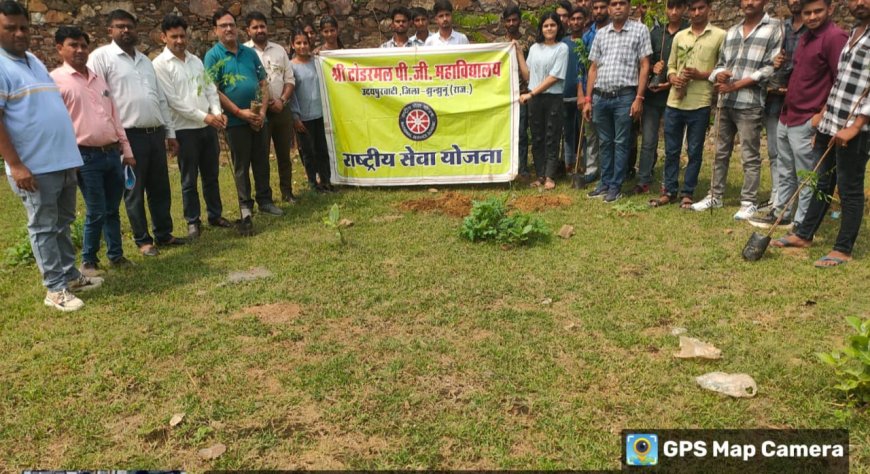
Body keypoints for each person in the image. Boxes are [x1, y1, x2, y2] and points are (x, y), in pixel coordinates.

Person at [0, 1, 102, 311]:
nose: (20, 33)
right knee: (43, 225)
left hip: (62, 160)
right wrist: (16, 165)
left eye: (24, 27)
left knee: (63, 222)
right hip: (34, 166)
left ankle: (69, 275)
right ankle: (54, 289)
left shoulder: (32, 60)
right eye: (10, 28)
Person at [771, 0, 869, 267]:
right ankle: (804, 234)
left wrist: (856, 126)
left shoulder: (842, 35)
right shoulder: (856, 32)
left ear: (830, 10)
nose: (859, 2)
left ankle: (843, 248)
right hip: (833, 120)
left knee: (849, 188)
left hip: (854, 127)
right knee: (821, 182)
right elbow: (843, 81)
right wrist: (825, 122)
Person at [88, 9, 185, 257]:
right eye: (120, 26)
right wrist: (116, 138)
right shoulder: (102, 58)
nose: (126, 30)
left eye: (130, 26)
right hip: (129, 136)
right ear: (110, 31)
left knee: (160, 187)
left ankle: (164, 233)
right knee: (134, 189)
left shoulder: (145, 60)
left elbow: (160, 99)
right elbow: (96, 99)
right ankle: (143, 240)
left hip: (155, 132)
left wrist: (170, 132)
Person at [749, 0, 846, 229]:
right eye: (807, 13)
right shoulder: (805, 37)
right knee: (785, 168)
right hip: (788, 114)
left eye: (817, 11)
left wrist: (821, 115)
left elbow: (839, 81)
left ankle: (802, 222)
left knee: (806, 175)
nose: (812, 17)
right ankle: (781, 212)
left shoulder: (834, 37)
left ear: (830, 9)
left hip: (808, 117)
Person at [51, 26, 136, 277]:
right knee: (96, 209)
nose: (79, 50)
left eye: (83, 45)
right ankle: (88, 260)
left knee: (112, 209)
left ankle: (116, 255)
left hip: (111, 153)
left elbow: (114, 116)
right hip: (85, 156)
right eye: (73, 45)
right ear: (59, 48)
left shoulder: (98, 79)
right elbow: (57, 124)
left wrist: (126, 149)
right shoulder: (55, 80)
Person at [690, 0, 782, 220]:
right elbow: (721, 62)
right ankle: (715, 195)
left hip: (750, 102)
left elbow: (771, 67)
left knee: (750, 155)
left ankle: (748, 201)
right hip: (726, 101)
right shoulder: (732, 31)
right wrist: (719, 75)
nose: (749, 2)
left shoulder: (774, 28)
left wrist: (738, 84)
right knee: (720, 152)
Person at [153, 14, 233, 239]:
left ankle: (215, 215)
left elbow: (209, 89)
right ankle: (192, 221)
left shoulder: (195, 60)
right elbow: (174, 101)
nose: (179, 41)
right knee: (189, 178)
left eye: (182, 36)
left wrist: (217, 112)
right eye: (174, 36)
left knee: (211, 174)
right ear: (163, 37)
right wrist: (205, 117)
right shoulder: (160, 65)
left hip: (207, 126)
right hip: (184, 129)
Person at [205, 8, 281, 236]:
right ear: (215, 30)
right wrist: (240, 112)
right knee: (241, 165)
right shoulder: (213, 56)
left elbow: (263, 84)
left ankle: (265, 201)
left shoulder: (248, 53)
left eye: (231, 24)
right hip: (237, 122)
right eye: (223, 26)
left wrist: (261, 112)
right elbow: (214, 91)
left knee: (262, 160)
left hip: (259, 118)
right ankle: (245, 207)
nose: (229, 29)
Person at [650, 0, 725, 208]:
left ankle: (688, 192)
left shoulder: (719, 36)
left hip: (700, 102)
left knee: (694, 150)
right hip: (675, 100)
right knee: (671, 149)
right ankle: (669, 190)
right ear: (688, 11)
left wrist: (701, 74)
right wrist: (673, 78)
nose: (697, 12)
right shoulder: (680, 37)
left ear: (709, 9)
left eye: (701, 8)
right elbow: (671, 66)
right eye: (693, 9)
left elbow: (723, 69)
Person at [583, 0, 652, 203]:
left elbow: (645, 65)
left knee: (621, 142)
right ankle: (604, 182)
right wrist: (588, 99)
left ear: (629, 6)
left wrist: (639, 97)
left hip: (624, 96)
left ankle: (615, 186)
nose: (618, 7)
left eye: (622, 3)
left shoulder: (639, 30)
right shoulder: (601, 33)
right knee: (604, 142)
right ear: (609, 8)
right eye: (614, 4)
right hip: (600, 96)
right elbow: (593, 68)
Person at [634, 0, 687, 195]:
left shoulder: (688, 32)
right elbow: (645, 62)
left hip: (677, 95)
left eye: (678, 7)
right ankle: (644, 179)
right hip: (654, 96)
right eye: (670, 7)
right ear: (665, 9)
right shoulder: (655, 33)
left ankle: (668, 181)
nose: (673, 11)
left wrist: (671, 82)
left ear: (684, 8)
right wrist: (654, 70)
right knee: (648, 140)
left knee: (673, 141)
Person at [244, 11, 298, 204]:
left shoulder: (279, 50)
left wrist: (282, 100)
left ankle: (287, 192)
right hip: (260, 112)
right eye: (255, 27)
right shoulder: (244, 53)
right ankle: (265, 198)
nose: (260, 30)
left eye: (262, 26)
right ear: (247, 30)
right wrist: (264, 106)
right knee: (261, 157)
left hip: (281, 109)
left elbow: (289, 80)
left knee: (284, 154)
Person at [761, 0, 807, 212]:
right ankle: (778, 199)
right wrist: (775, 63)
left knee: (801, 156)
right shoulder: (781, 28)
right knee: (775, 151)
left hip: (803, 101)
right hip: (777, 98)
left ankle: (802, 207)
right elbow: (767, 65)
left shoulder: (814, 29)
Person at [517, 12, 569, 190]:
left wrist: (531, 94)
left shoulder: (562, 48)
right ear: (541, 28)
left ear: (558, 27)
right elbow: (528, 75)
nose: (549, 29)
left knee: (551, 135)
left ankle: (550, 176)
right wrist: (518, 53)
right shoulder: (534, 48)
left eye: (552, 25)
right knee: (537, 136)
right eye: (546, 25)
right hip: (535, 98)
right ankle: (539, 174)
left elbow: (554, 77)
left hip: (552, 98)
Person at [290, 29, 334, 193]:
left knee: (322, 149)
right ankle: (313, 183)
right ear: (292, 45)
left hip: (321, 115)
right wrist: (295, 117)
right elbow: (291, 93)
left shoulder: (318, 62)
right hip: (304, 118)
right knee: (309, 152)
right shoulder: (291, 67)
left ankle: (326, 181)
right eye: (298, 43)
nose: (302, 46)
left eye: (305, 43)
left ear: (310, 44)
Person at [580, 0, 609, 184]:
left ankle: (608, 170)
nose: (598, 11)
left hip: (609, 89)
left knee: (608, 136)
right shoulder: (587, 36)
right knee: (590, 134)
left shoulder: (615, 32)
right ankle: (591, 169)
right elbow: (581, 69)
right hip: (590, 92)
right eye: (595, 8)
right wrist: (583, 95)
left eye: (602, 7)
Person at [502, 4, 531, 180]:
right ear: (504, 23)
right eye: (508, 20)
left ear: (519, 21)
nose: (512, 23)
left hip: (522, 94)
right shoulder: (498, 43)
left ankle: (523, 167)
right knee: (504, 132)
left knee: (521, 133)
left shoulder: (528, 42)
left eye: (514, 19)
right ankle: (506, 165)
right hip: (503, 95)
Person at [562, 5, 587, 174]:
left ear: (584, 21)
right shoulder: (563, 43)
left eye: (579, 19)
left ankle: (583, 163)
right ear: (569, 22)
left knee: (583, 131)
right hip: (564, 94)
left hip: (583, 94)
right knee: (568, 131)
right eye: (573, 19)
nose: (576, 22)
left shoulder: (588, 40)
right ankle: (568, 162)